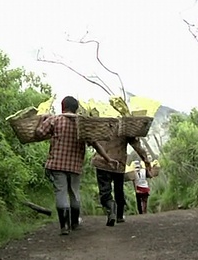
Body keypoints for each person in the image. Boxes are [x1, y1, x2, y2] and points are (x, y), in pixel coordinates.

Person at [35, 96, 117, 235]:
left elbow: (39, 133)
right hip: (75, 165)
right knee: (74, 193)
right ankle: (74, 223)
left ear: (63, 107)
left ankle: (64, 226)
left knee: (61, 193)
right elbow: (95, 144)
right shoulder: (83, 125)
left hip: (57, 164)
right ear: (76, 108)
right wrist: (108, 159)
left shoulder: (55, 119)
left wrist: (40, 120)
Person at [91, 136, 150, 226]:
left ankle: (111, 209)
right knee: (119, 189)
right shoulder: (124, 126)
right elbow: (136, 145)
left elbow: (90, 140)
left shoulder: (101, 123)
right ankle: (119, 215)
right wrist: (145, 160)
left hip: (101, 162)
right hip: (118, 162)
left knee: (104, 190)